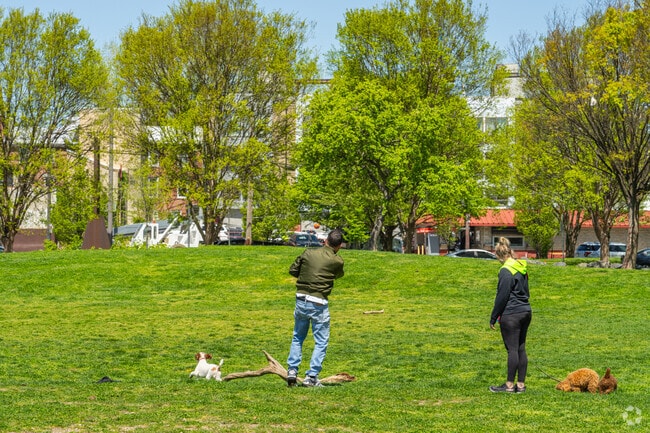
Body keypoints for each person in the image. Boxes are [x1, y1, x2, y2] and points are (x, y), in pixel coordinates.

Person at [286, 229, 345, 387]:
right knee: (321, 341)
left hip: (301, 299)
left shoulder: (308, 253)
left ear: (325, 240)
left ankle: (292, 370)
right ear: (339, 245)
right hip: (319, 302)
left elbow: (292, 270)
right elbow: (338, 275)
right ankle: (311, 377)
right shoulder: (337, 261)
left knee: (298, 337)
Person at [489, 237, 532, 393]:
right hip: (526, 311)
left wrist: (494, 317)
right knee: (521, 348)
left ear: (500, 255)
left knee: (512, 350)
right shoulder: (521, 267)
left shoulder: (505, 271)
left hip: (511, 313)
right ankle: (520, 385)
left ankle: (508, 385)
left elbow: (502, 296)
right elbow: (526, 291)